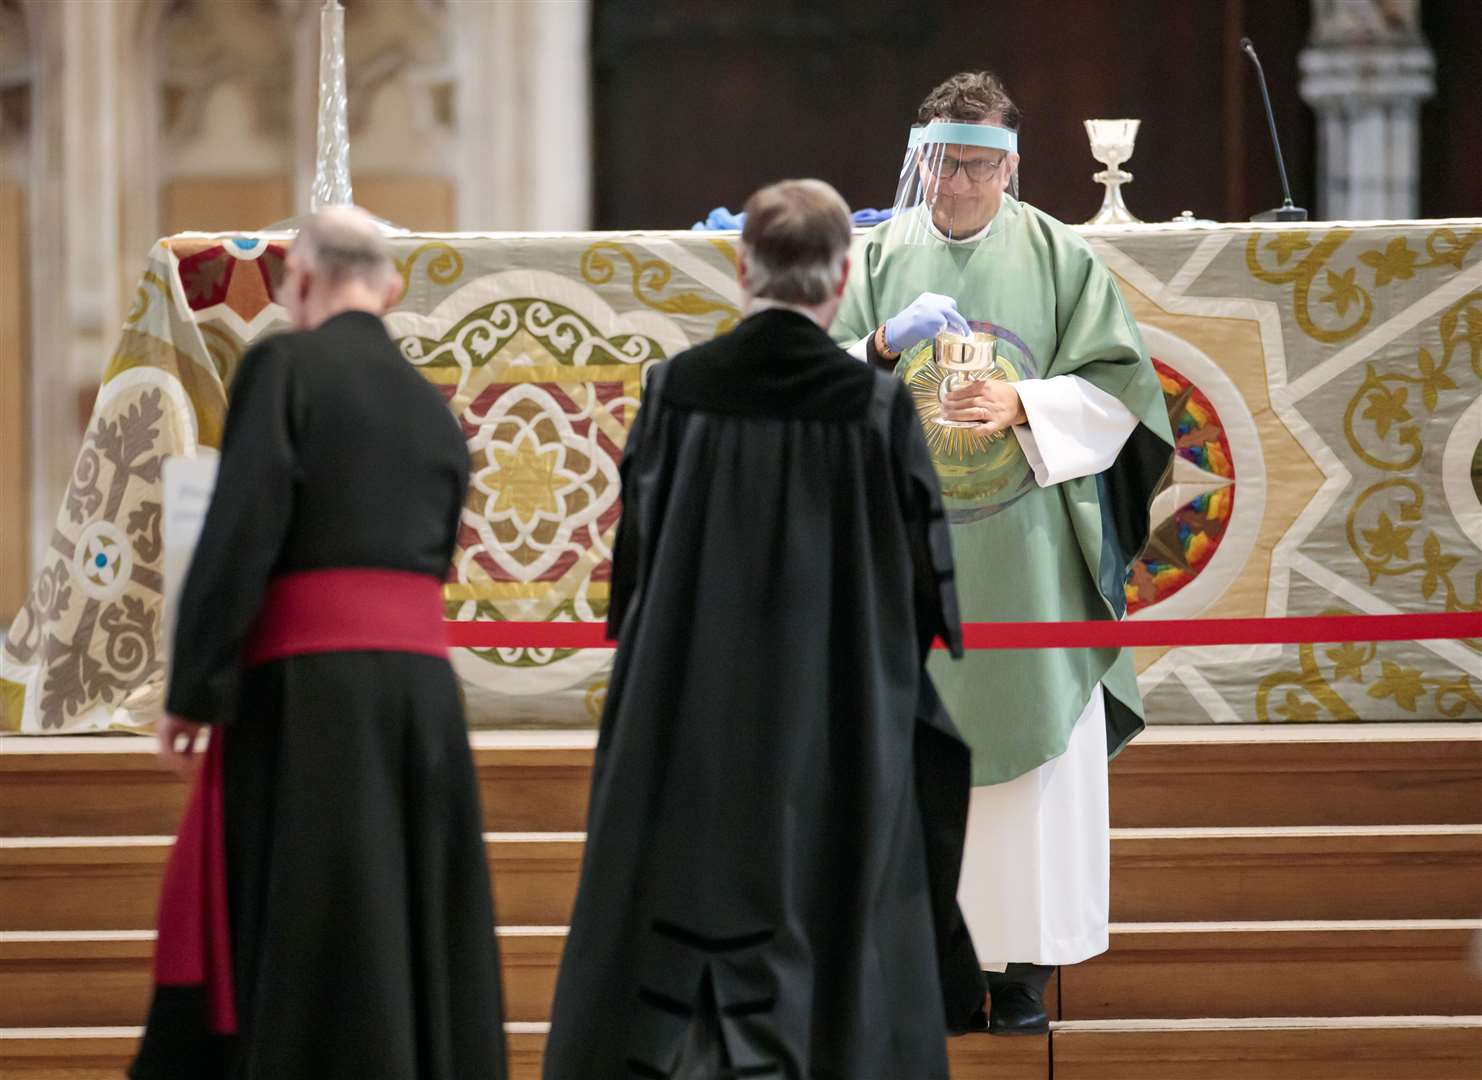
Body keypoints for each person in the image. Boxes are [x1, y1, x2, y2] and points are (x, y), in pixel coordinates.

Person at [543, 179, 981, 1079]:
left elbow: (638, 566)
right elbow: (923, 587)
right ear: (844, 276)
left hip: (688, 707)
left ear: (743, 268)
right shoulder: (872, 406)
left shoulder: (676, 390)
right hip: (834, 711)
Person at [832, 71, 1175, 1035]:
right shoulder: (873, 259)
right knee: (906, 753)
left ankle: (1023, 970)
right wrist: (881, 353)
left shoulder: (1062, 258)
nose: (962, 187)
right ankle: (919, 967)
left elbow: (1126, 396)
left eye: (982, 168)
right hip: (904, 547)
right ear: (918, 160)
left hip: (1023, 547)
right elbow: (815, 384)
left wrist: (1026, 402)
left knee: (1030, 769)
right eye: (945, 166)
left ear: (1013, 167)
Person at [131, 207, 507, 1080]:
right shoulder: (434, 409)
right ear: (388, 287)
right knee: (407, 918)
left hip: (310, 694)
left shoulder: (282, 364)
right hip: (421, 701)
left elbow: (242, 526)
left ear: (299, 282)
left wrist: (194, 688)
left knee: (315, 917)